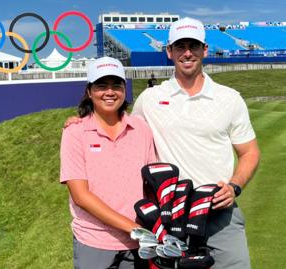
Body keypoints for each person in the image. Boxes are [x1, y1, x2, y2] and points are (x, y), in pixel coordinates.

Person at [132, 17, 260, 269]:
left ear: (205, 50)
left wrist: (235, 186)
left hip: (220, 214)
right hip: (170, 218)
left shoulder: (229, 98)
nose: (187, 53)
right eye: (180, 46)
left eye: (194, 46)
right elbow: (125, 136)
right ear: (169, 52)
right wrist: (81, 121)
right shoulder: (150, 98)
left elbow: (250, 152)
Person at [60, 56, 156, 269]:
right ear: (89, 91)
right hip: (94, 241)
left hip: (138, 243)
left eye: (116, 86)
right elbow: (80, 196)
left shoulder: (141, 129)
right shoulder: (75, 132)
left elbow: (151, 184)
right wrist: (132, 228)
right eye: (102, 86)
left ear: (124, 89)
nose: (110, 92)